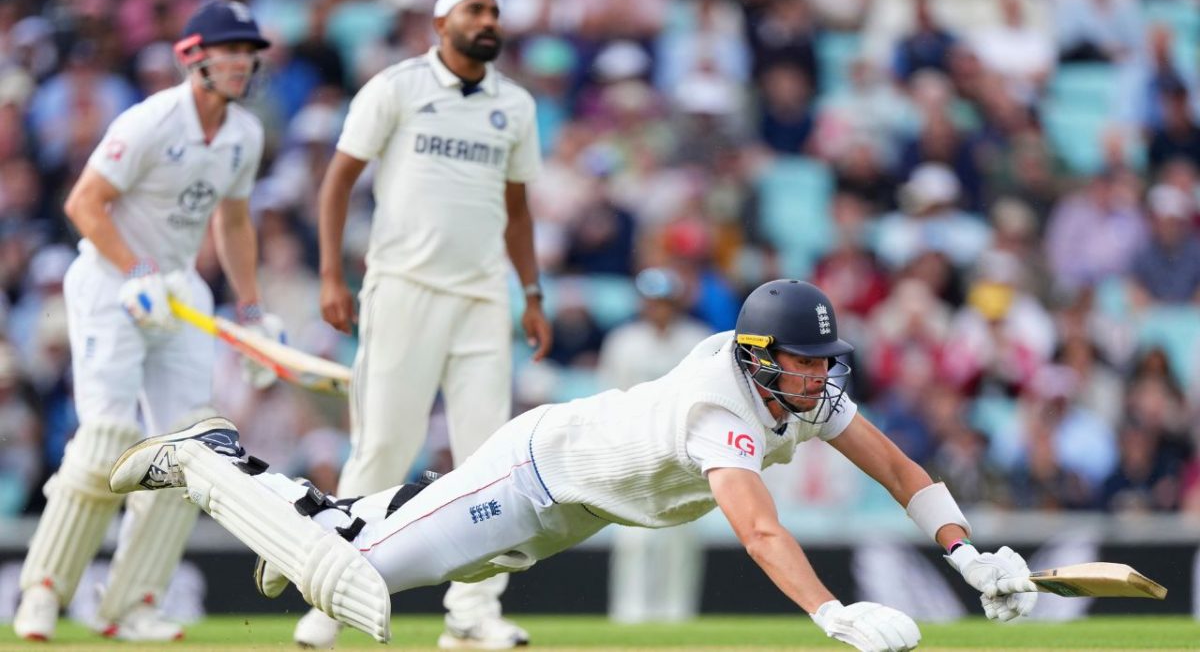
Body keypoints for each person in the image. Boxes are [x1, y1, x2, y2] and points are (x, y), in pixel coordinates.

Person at [111, 280, 1039, 652]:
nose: (818, 376)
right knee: (351, 584)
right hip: (531, 476)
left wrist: (965, 554)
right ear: (761, 355)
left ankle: (296, 502)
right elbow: (757, 527)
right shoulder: (722, 401)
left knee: (349, 536)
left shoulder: (808, 388)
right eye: (801, 361)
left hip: (572, 510)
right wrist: (832, 614)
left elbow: (900, 467)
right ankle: (208, 460)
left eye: (823, 362)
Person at [13, 0, 281, 642]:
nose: (241, 61)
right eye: (229, 49)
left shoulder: (245, 134)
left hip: (180, 291)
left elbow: (235, 222)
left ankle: (133, 601)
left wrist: (249, 312)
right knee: (107, 437)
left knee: (190, 450)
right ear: (194, 56)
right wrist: (136, 272)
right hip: (111, 281)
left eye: (248, 50)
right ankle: (43, 591)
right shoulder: (153, 119)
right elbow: (84, 202)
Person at [303, 0, 552, 648]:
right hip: (402, 288)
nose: (489, 21)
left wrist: (531, 294)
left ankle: (472, 616)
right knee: (381, 446)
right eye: (475, 9)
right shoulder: (396, 87)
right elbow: (337, 180)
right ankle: (330, 600)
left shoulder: (517, 105)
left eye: (495, 11)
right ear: (441, 22)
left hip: (480, 298)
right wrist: (331, 273)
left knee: (486, 462)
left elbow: (519, 210)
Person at [597, 267, 713, 623]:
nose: (658, 309)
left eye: (663, 301)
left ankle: (677, 614)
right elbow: (608, 398)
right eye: (652, 302)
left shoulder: (699, 341)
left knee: (680, 539)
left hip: (684, 453)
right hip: (635, 449)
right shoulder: (623, 342)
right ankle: (629, 614)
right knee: (634, 540)